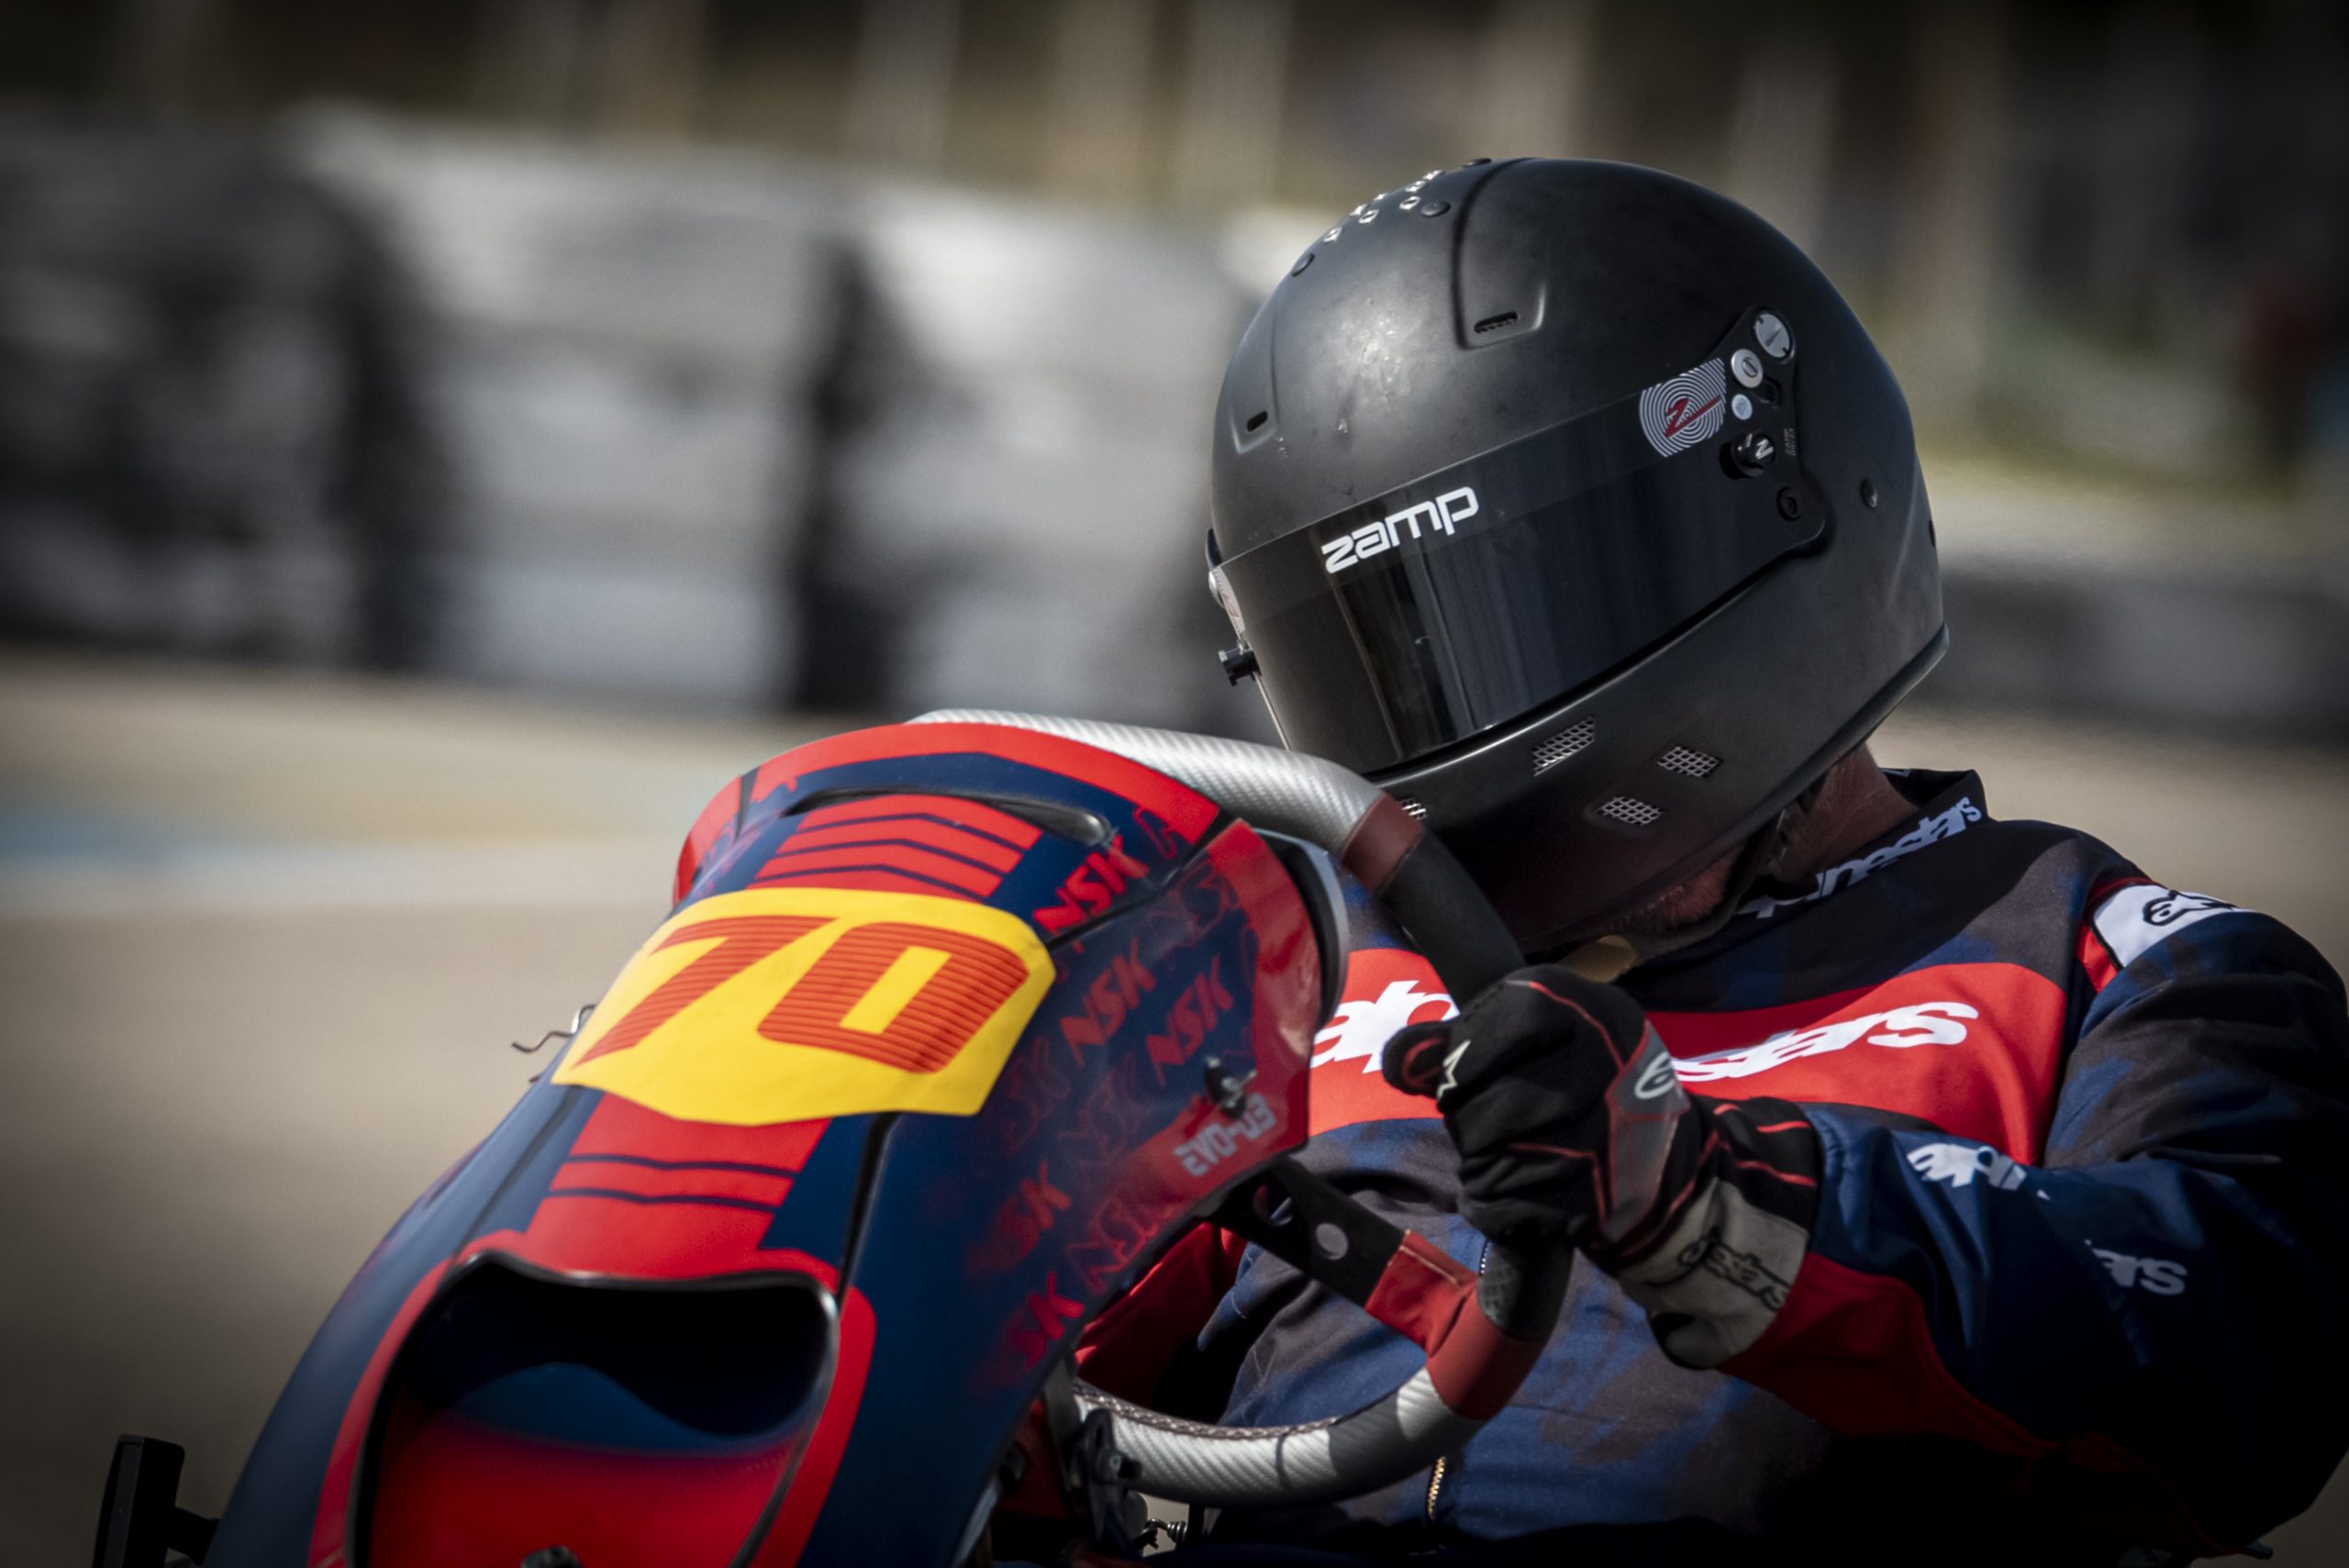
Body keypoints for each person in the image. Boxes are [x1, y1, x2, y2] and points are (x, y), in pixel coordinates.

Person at [1073, 160, 2349, 1563]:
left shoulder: (2116, 963)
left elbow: (2247, 1337)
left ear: (1775, 503)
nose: (1453, 737)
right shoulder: (1291, 971)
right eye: (1383, 664)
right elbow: (1019, 1357)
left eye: (1515, 623)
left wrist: (1705, 1199)